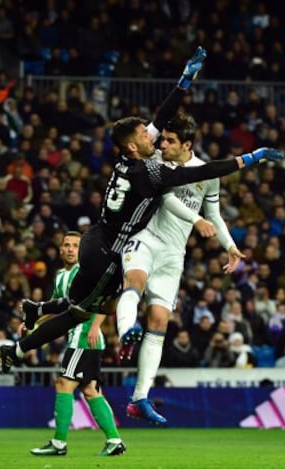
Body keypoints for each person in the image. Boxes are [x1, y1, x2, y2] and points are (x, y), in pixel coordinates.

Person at [0, 46, 284, 376]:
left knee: (90, 302)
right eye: (145, 134)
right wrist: (250, 157)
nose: (153, 134)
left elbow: (162, 116)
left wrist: (185, 79)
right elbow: (200, 172)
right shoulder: (149, 173)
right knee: (80, 313)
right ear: (135, 145)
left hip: (98, 238)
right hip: (107, 253)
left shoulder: (132, 158)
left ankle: (38, 310)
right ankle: (17, 350)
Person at [117, 112, 245, 424]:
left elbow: (213, 214)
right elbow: (165, 199)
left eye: (170, 141)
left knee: (159, 320)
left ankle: (139, 399)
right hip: (146, 238)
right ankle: (126, 332)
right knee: (134, 282)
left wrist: (229, 246)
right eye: (163, 139)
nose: (162, 144)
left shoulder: (205, 173)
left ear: (186, 144)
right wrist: (195, 219)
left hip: (174, 255)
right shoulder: (158, 163)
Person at [29, 231, 125, 457]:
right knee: (90, 391)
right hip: (79, 338)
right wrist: (32, 322)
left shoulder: (88, 272)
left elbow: (108, 297)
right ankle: (114, 441)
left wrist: (95, 326)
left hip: (84, 336)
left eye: (75, 245)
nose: (71, 249)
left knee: (64, 384)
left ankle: (59, 443)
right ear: (60, 249)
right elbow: (56, 306)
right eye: (67, 245)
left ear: (82, 250)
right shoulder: (61, 276)